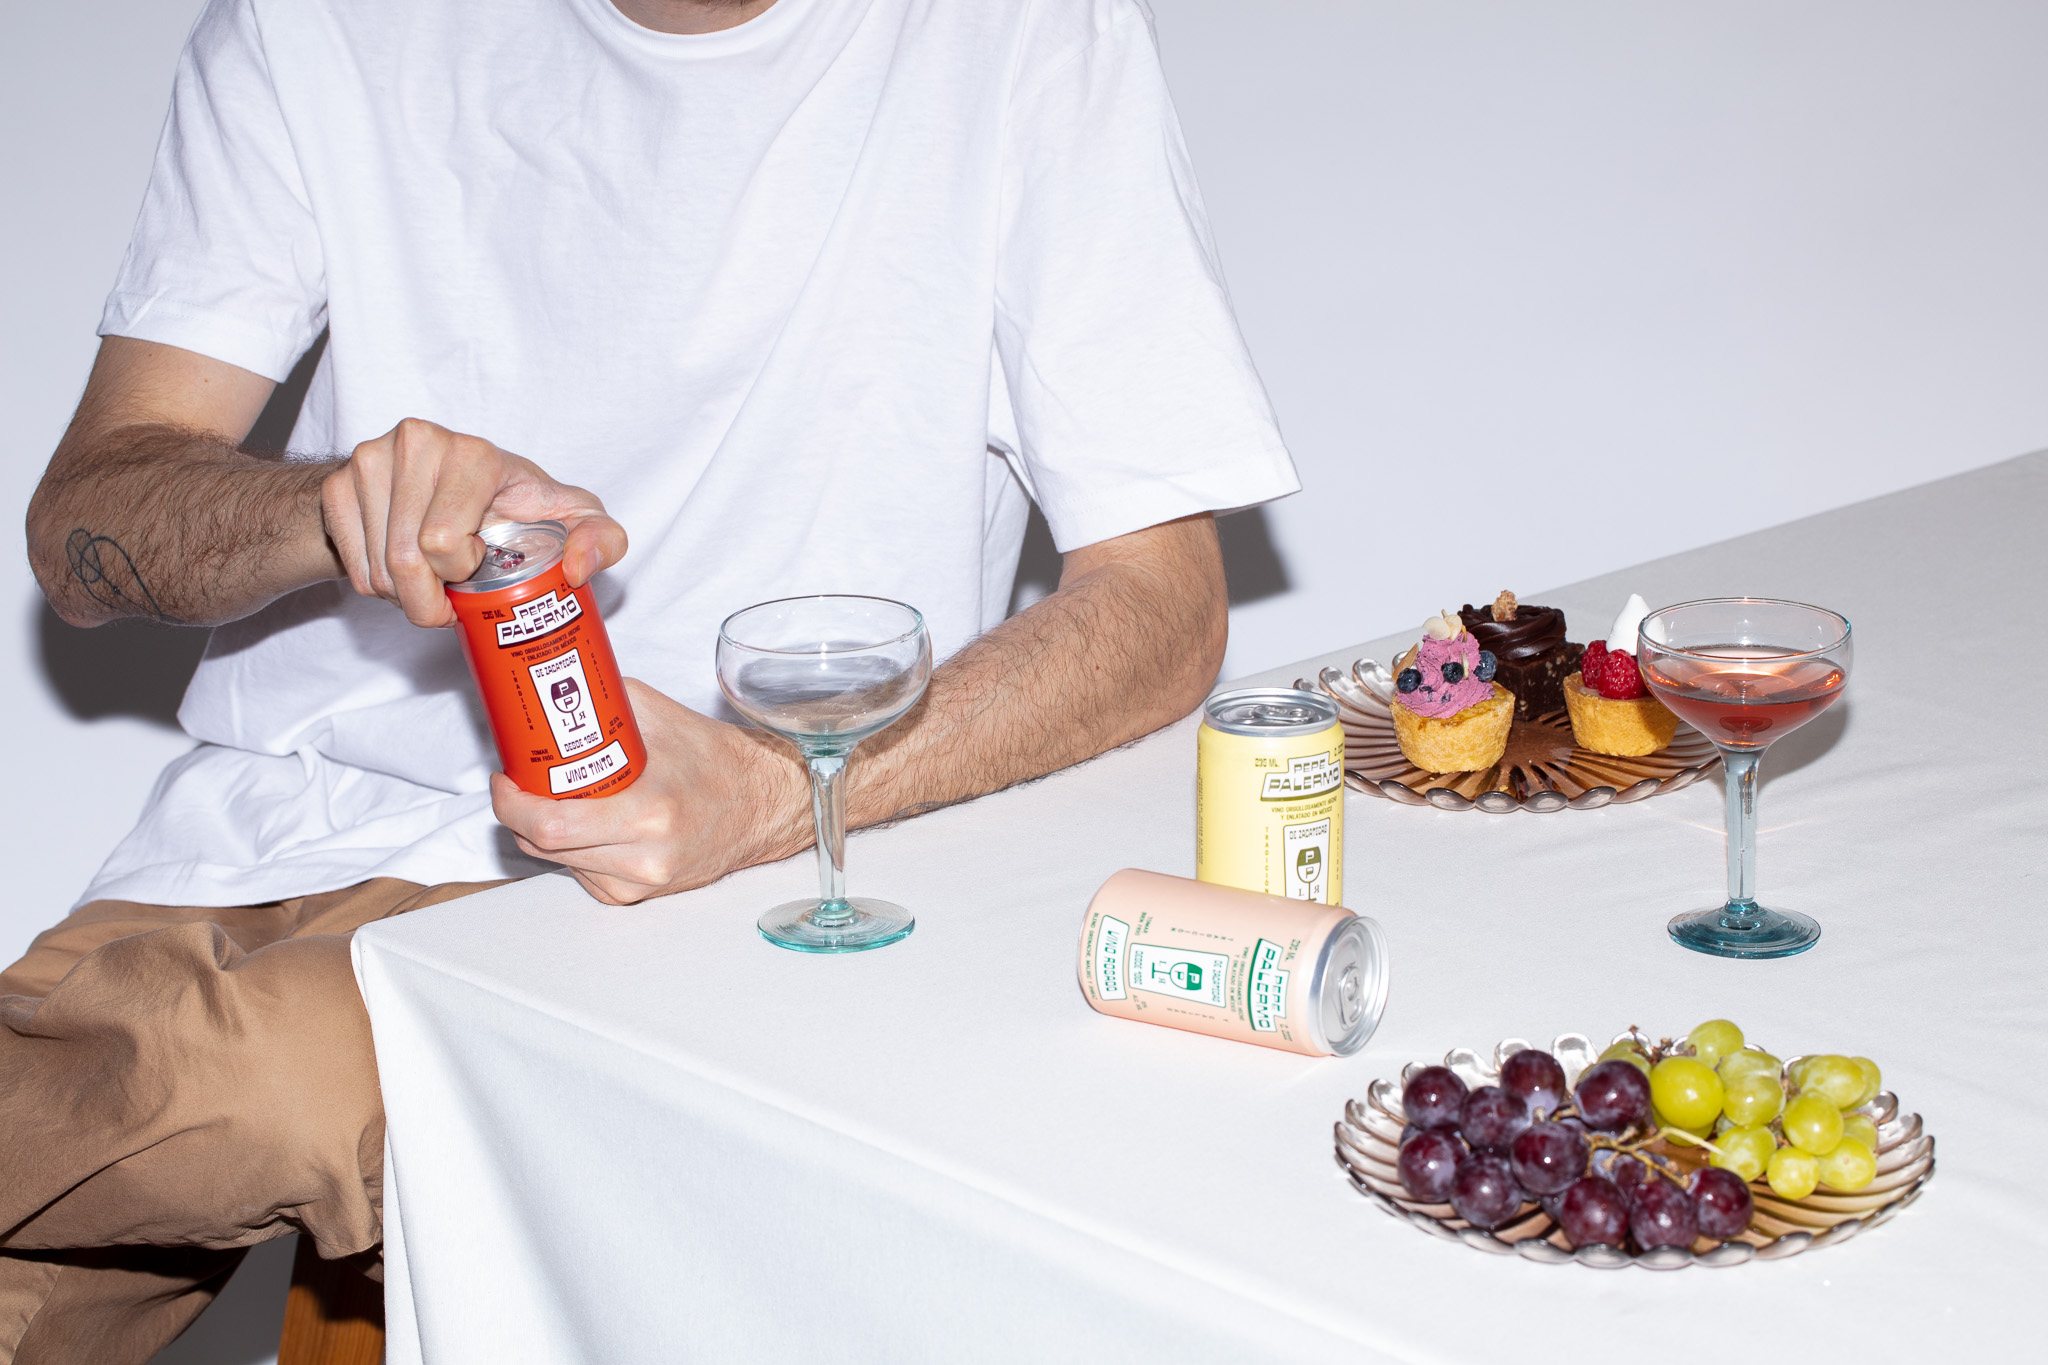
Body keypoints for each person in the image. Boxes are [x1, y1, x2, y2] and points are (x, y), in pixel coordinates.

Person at [3, 0, 1297, 1357]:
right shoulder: (315, 24)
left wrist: (771, 791)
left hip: (657, 891)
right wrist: (328, 509)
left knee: (267, 1080)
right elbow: (83, 526)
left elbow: (1163, 602)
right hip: (233, 863)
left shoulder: (1018, 35)